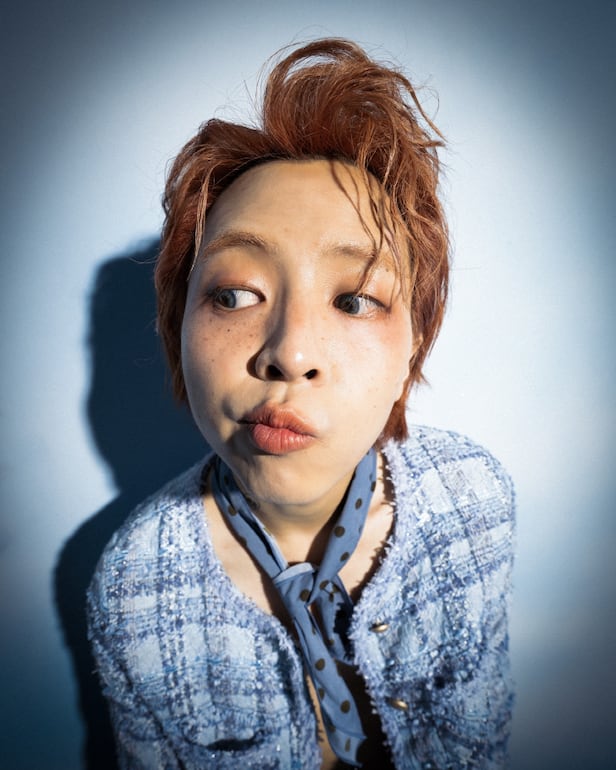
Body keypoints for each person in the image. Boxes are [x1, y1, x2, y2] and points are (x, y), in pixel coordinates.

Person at [87, 38, 515, 770]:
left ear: (414, 345)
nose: (289, 352)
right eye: (234, 295)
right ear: (176, 327)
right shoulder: (134, 589)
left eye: (355, 300)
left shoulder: (475, 502)